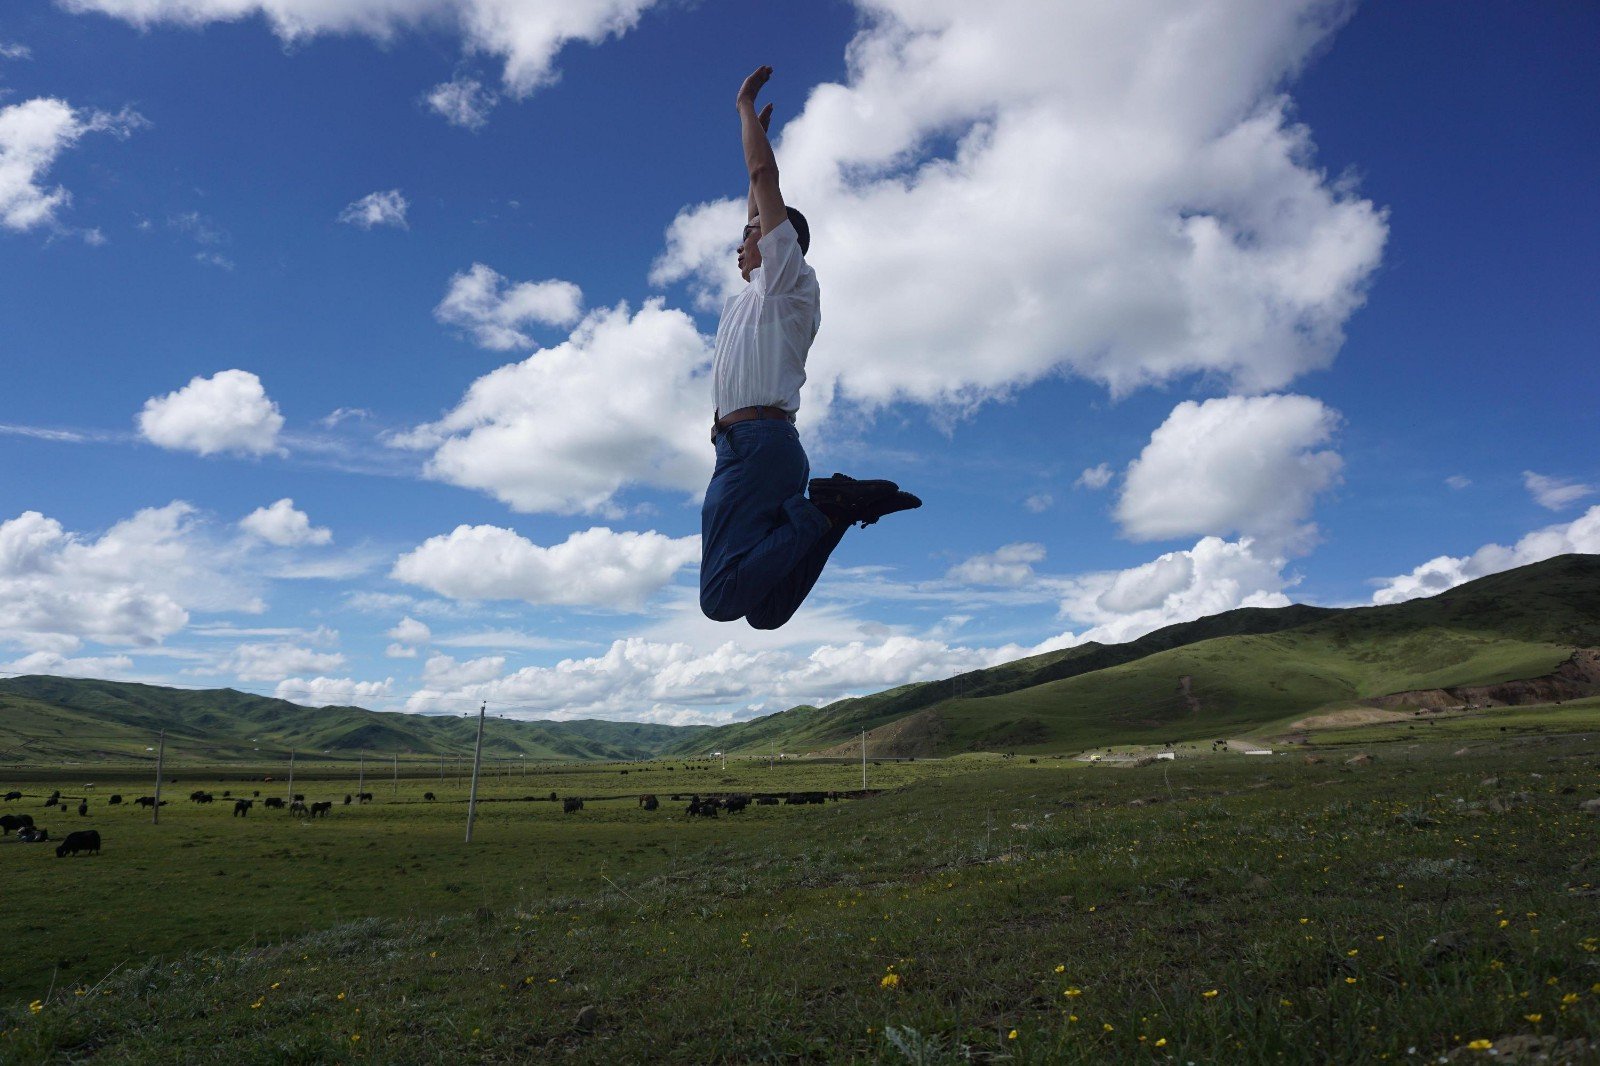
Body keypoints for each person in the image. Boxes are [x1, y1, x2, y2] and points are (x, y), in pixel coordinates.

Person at [700, 65, 920, 631]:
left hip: (758, 446)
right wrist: (757, 173)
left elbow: (763, 177)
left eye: (752, 234)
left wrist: (745, 108)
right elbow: (757, 193)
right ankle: (834, 514)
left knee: (722, 598)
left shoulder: (786, 280)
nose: (742, 240)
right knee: (766, 611)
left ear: (780, 244)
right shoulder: (757, 295)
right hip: (750, 448)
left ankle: (822, 509)